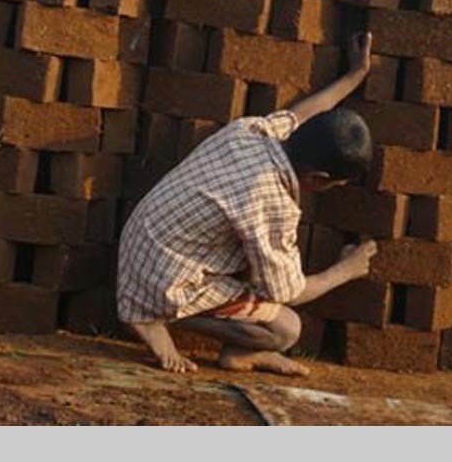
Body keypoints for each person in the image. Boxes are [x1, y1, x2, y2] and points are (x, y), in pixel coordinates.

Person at [117, 31, 379, 375]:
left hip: (140, 245)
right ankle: (152, 318)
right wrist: (346, 270)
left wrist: (354, 75)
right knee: (286, 328)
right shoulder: (272, 203)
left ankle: (172, 316)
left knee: (249, 258)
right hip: (161, 279)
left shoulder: (252, 132)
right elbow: (289, 290)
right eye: (336, 184)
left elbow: (301, 114)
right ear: (317, 179)